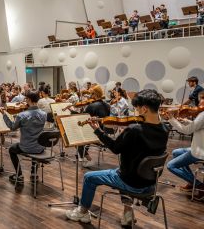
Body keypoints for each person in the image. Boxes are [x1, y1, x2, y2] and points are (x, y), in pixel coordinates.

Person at [66, 89, 168, 226]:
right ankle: (127, 215)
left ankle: (82, 211)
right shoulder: (165, 129)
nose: (135, 113)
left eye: (136, 109)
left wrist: (98, 130)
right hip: (150, 184)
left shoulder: (134, 130)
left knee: (89, 177)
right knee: (120, 170)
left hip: (131, 182)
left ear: (144, 109)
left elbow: (115, 148)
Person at [163, 91, 204, 201]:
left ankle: (199, 185)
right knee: (176, 152)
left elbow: (186, 131)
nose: (200, 103)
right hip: (199, 146)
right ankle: (191, 182)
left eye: (202, 100)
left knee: (171, 166)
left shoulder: (203, 115)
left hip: (200, 151)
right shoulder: (201, 114)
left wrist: (172, 119)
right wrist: (184, 120)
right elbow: (197, 126)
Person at [2, 89, 46, 183]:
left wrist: (4, 115)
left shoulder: (22, 115)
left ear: (29, 99)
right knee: (35, 143)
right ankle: (34, 173)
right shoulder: (44, 114)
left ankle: (19, 175)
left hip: (26, 147)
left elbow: (12, 127)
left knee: (11, 149)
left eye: (26, 99)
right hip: (40, 147)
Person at [78, 85, 111, 167]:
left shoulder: (91, 106)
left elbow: (83, 119)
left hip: (93, 133)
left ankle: (88, 158)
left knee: (76, 137)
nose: (90, 96)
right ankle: (83, 156)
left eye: (91, 94)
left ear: (94, 94)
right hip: (102, 132)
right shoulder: (107, 105)